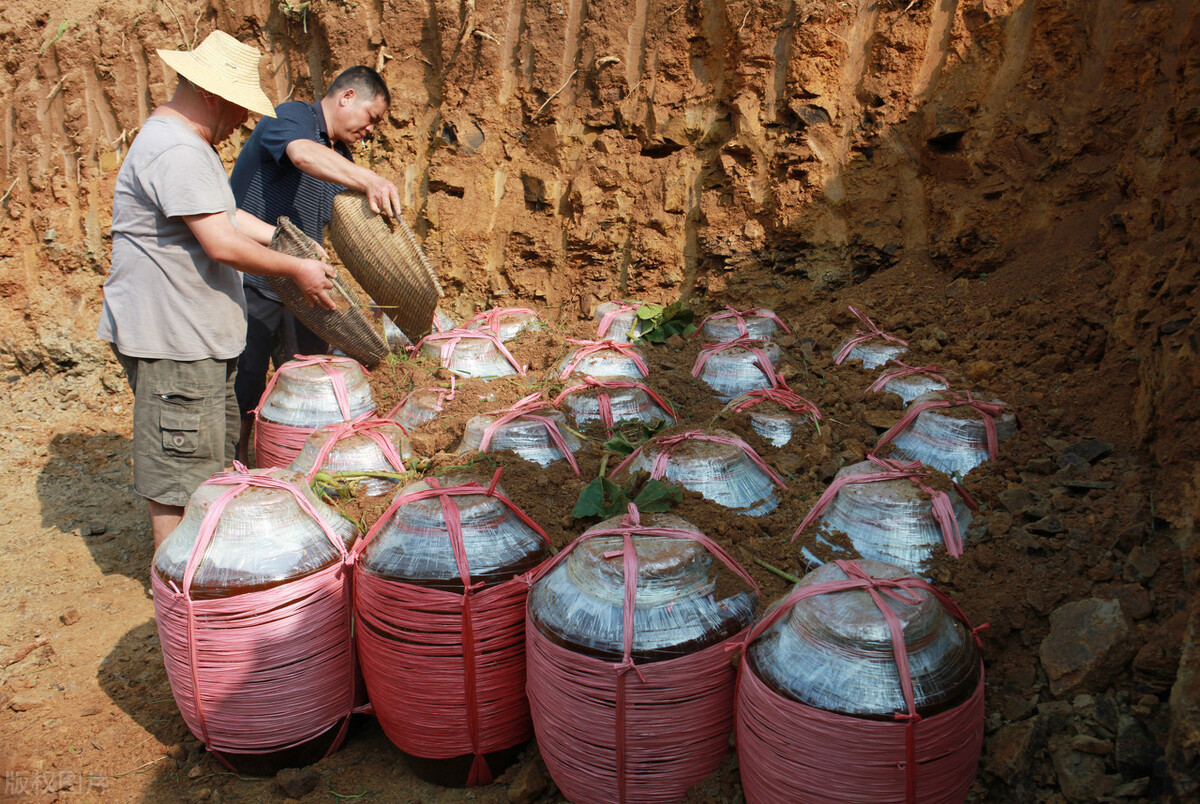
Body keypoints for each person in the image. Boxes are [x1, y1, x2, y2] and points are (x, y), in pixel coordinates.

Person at [96, 31, 337, 548]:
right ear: (211, 96)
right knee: (181, 484)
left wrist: (287, 243)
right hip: (174, 342)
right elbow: (221, 242)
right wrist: (296, 270)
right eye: (237, 109)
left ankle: (199, 576)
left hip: (192, 340)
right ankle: (182, 598)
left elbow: (229, 217)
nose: (242, 123)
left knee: (203, 466)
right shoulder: (176, 150)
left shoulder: (186, 144)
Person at [230, 66, 400, 465]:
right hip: (253, 282)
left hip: (303, 291)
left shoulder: (340, 156)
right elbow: (302, 155)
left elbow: (342, 231)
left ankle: (299, 476)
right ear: (346, 97)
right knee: (244, 390)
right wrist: (369, 179)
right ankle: (236, 471)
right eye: (371, 118)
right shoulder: (292, 116)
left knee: (311, 396)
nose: (371, 130)